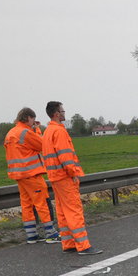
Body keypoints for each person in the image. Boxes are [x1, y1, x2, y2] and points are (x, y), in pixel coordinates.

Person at [42, 101, 102, 255]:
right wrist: (73, 173)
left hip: (55, 176)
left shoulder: (48, 131)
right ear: (56, 113)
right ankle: (83, 246)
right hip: (65, 176)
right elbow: (65, 156)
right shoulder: (59, 131)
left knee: (62, 211)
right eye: (62, 111)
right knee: (74, 210)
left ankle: (68, 243)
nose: (64, 113)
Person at [4, 107, 59, 244]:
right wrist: (37, 130)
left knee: (27, 204)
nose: (33, 121)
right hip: (31, 173)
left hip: (19, 175)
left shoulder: (10, 133)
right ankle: (51, 234)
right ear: (28, 117)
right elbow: (42, 145)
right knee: (43, 203)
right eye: (33, 119)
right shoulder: (25, 132)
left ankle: (31, 235)